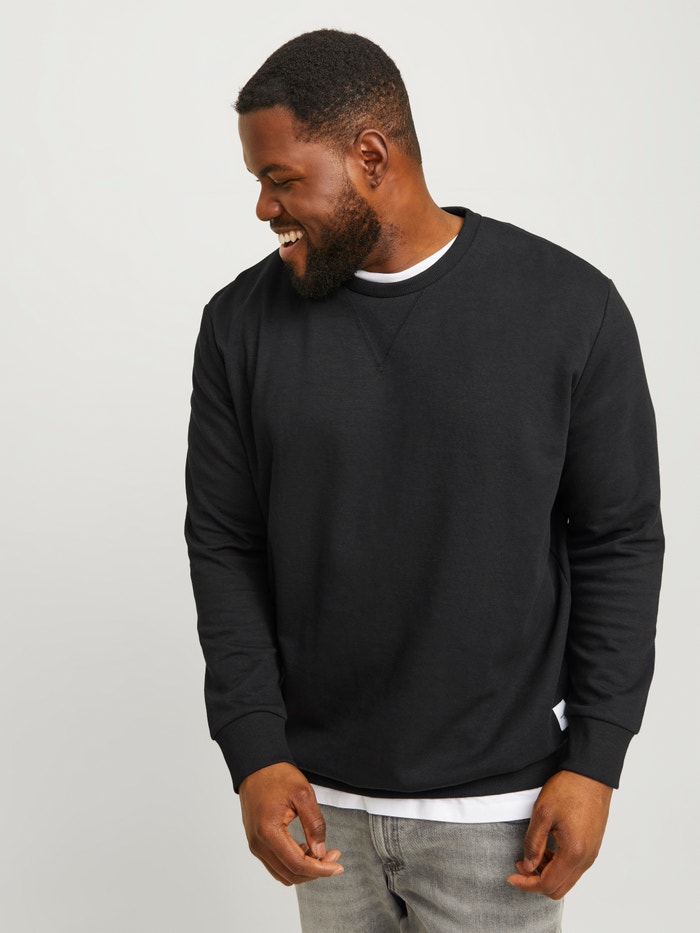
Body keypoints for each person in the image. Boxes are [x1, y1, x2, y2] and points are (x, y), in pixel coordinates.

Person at [185, 29, 664, 933]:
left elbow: (619, 539)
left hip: (503, 818)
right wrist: (253, 751)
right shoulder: (239, 325)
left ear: (370, 157)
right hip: (319, 810)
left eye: (282, 179)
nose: (262, 206)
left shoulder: (569, 308)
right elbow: (224, 543)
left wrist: (596, 760)